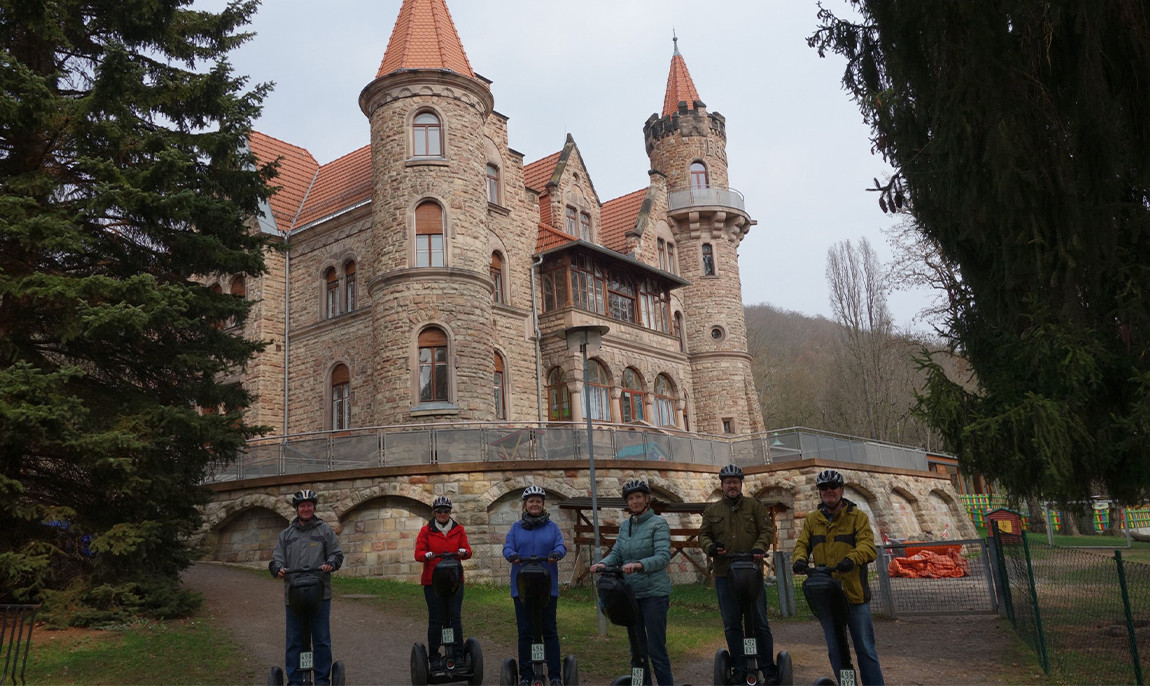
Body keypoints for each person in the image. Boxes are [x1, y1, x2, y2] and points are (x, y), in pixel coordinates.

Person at [792, 469, 884, 685]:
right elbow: (802, 544)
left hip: (854, 595)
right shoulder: (813, 520)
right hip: (827, 595)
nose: (829, 491)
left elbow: (868, 546)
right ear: (820, 492)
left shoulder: (857, 517)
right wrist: (800, 560)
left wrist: (851, 559)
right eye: (824, 488)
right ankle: (847, 683)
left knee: (865, 649)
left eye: (833, 486)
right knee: (836, 651)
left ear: (841, 490)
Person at [699, 464, 780, 685]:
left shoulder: (755, 506)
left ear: (741, 484)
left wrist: (759, 547)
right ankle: (740, 668)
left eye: (735, 482)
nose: (732, 486)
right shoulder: (712, 511)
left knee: (760, 622)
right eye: (728, 482)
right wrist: (711, 547)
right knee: (732, 624)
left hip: (752, 574)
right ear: (722, 485)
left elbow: (767, 530)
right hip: (725, 575)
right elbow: (703, 535)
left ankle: (767, 668)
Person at [589, 479, 674, 686]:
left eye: (638, 497)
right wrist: (603, 563)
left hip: (654, 595)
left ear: (647, 499)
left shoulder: (658, 524)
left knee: (656, 650)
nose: (634, 501)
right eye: (631, 498)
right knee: (636, 650)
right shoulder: (625, 526)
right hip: (630, 596)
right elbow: (617, 553)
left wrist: (639, 564)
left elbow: (663, 556)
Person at [269, 489, 344, 686]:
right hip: (293, 596)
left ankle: (321, 680)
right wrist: (278, 569)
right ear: (296, 509)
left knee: (321, 640)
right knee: (294, 641)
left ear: (314, 507)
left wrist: (330, 564)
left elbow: (337, 554)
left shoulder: (325, 531)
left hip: (320, 595)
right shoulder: (286, 535)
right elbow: (276, 560)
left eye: (309, 505)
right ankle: (295, 681)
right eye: (302, 506)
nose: (306, 509)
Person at [503, 485, 567, 686]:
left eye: (538, 501)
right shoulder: (516, 528)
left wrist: (556, 553)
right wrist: (512, 555)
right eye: (531, 501)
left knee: (549, 631)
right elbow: (507, 547)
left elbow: (561, 545)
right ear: (525, 504)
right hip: (522, 589)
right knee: (525, 632)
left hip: (547, 588)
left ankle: (555, 675)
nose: (535, 504)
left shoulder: (552, 527)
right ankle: (526, 675)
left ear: (543, 504)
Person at [414, 495, 473, 669]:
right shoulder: (426, 531)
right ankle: (434, 657)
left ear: (450, 512)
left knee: (455, 617)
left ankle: (458, 655)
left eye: (446, 511)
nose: (442, 514)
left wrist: (463, 552)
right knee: (436, 619)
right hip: (433, 582)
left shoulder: (458, 529)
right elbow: (418, 553)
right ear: (434, 512)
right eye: (439, 511)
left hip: (454, 581)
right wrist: (426, 555)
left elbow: (468, 550)